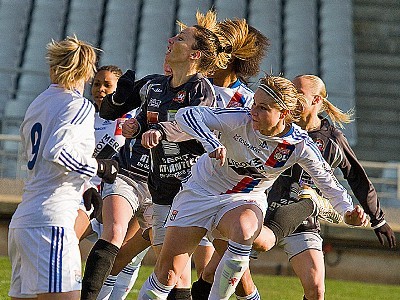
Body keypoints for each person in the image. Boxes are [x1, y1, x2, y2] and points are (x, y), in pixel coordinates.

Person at [138, 74, 368, 300]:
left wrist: (348, 211)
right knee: (167, 275)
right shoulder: (239, 119)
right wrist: (212, 142)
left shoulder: (299, 144)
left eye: (263, 108)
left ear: (284, 114)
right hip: (200, 192)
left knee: (245, 230)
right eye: (255, 104)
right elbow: (187, 114)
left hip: (243, 198)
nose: (253, 112)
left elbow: (328, 181)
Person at [81, 10, 232, 300]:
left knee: (173, 272)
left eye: (181, 38)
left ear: (195, 55)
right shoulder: (153, 85)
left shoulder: (202, 91)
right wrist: (121, 102)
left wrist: (161, 131)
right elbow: (110, 111)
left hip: (174, 190)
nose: (171, 39)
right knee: (114, 232)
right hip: (131, 174)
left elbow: (193, 125)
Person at [264, 74, 396, 300]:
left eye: (299, 93)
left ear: (316, 101)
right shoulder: (277, 124)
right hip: (261, 209)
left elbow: (356, 177)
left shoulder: (333, 138)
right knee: (227, 270)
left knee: (316, 290)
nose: (292, 98)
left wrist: (377, 218)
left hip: (302, 218)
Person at [7, 35, 118, 300]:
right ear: (87, 71)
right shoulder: (78, 105)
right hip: (52, 222)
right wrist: (99, 167)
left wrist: (85, 185)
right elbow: (57, 151)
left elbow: (44, 155)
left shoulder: (38, 103)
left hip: (24, 221)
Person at [190, 18, 270, 300]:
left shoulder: (248, 102)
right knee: (210, 271)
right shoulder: (193, 89)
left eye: (217, 49)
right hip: (186, 185)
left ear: (232, 58)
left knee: (220, 269)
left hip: (226, 193)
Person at [72, 65, 150, 300]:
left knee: (124, 257)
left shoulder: (132, 116)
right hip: (87, 194)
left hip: (124, 191)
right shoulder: (83, 115)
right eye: (96, 84)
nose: (101, 89)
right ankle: (69, 288)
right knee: (68, 238)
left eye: (108, 85)